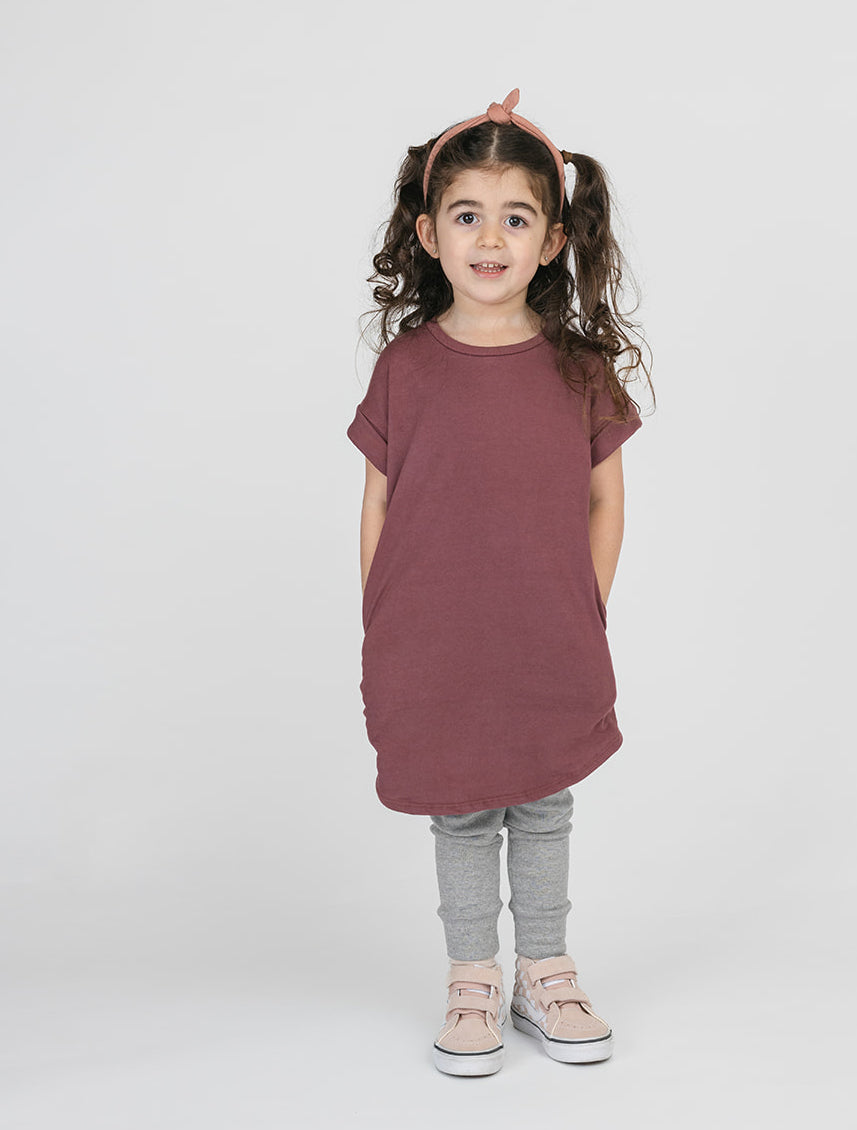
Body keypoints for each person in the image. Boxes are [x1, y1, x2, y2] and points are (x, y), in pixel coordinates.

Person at [346, 88, 651, 1076]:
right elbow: (378, 504)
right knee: (465, 809)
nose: (489, 238)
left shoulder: (579, 370)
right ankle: (472, 977)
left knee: (545, 803)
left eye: (515, 218)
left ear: (552, 239)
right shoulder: (405, 368)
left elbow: (605, 502)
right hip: (435, 640)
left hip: (549, 637)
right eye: (468, 215)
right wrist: (383, 623)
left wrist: (581, 611)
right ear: (428, 233)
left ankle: (544, 971)